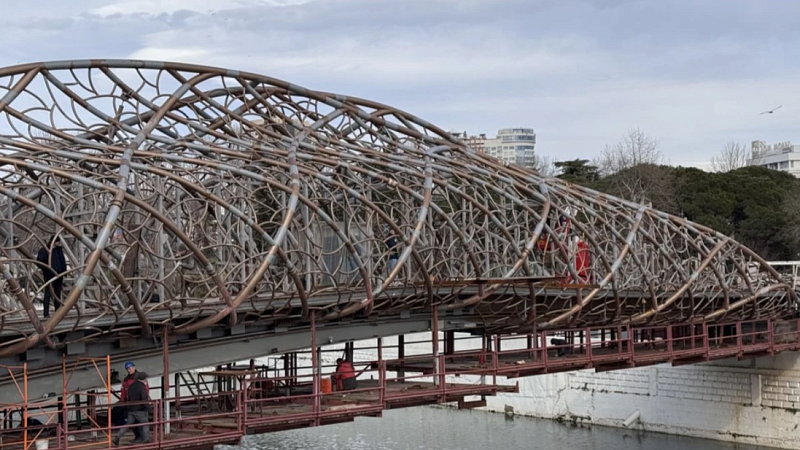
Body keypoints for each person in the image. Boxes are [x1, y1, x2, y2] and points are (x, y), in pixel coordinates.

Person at [112, 372, 150, 445]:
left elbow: (127, 396)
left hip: (131, 409)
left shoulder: (131, 386)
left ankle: (116, 437)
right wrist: (149, 409)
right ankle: (146, 439)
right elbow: (144, 399)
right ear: (144, 379)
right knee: (145, 423)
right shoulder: (142, 387)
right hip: (140, 409)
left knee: (128, 424)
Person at [36, 236, 67, 318]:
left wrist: (64, 272)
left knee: (57, 293)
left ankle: (57, 312)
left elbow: (62, 261)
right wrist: (47, 269)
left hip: (58, 275)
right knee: (48, 294)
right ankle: (46, 313)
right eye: (57, 241)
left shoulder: (58, 250)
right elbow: (39, 262)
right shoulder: (45, 250)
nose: (58, 243)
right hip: (49, 275)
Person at [119, 362, 149, 441]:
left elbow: (145, 391)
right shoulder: (128, 380)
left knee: (133, 422)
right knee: (138, 422)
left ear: (134, 367)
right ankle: (142, 438)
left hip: (135, 404)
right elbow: (123, 392)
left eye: (130, 368)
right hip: (133, 404)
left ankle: (141, 437)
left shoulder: (137, 378)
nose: (129, 370)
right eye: (128, 369)